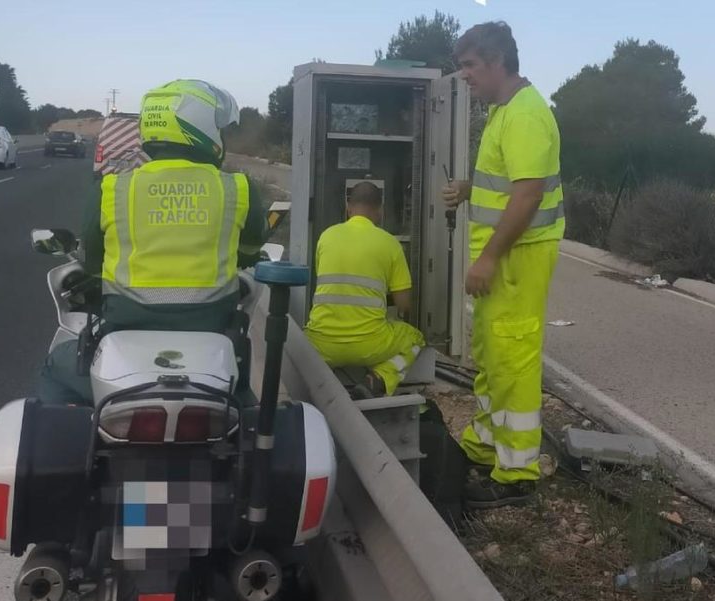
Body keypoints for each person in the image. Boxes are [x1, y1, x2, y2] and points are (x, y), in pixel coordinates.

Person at [38, 79, 266, 405]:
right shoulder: (238, 189)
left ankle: (63, 446)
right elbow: (251, 250)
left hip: (125, 325)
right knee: (243, 403)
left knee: (55, 366)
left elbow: (91, 262)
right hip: (211, 330)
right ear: (201, 129)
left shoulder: (112, 189)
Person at [442, 22, 565, 508]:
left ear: (496, 62)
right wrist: (471, 191)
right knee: (493, 354)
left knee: (512, 359)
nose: (464, 75)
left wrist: (489, 258)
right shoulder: (504, 111)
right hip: (507, 257)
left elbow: (529, 194)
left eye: (469, 66)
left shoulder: (525, 115)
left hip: (516, 258)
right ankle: (486, 444)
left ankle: (516, 475)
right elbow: (512, 185)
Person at [304, 181, 425, 397]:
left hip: (321, 345)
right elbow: (404, 305)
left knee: (301, 342)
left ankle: (317, 383)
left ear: (348, 207)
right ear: (380, 210)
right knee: (415, 338)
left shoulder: (325, 237)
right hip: (370, 344)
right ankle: (378, 380)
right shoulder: (390, 243)